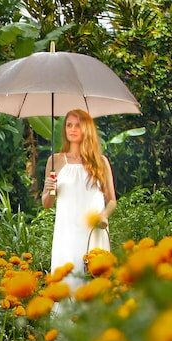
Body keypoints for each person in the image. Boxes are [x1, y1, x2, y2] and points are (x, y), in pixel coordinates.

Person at [42, 109, 116, 291]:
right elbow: (46, 204)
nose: (72, 129)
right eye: (69, 125)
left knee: (93, 285)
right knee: (67, 284)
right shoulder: (55, 161)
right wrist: (51, 189)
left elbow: (112, 200)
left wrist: (104, 215)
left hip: (93, 232)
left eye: (77, 125)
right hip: (66, 235)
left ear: (87, 129)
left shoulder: (100, 162)